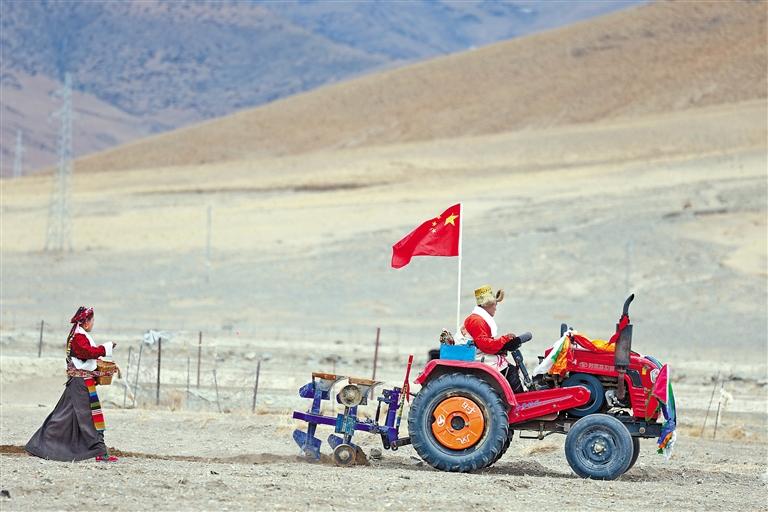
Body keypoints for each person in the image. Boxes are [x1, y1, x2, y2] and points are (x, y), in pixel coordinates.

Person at [25, 306, 119, 462]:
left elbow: (86, 356)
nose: (93, 323)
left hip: (80, 382)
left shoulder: (78, 335)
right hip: (80, 384)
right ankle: (99, 452)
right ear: (86, 322)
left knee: (63, 415)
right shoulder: (78, 337)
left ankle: (37, 446)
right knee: (89, 415)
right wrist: (106, 348)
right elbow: (88, 352)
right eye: (92, 321)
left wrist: (100, 357)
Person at [463, 285, 525, 393]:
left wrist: (501, 347)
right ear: (487, 305)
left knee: (508, 366)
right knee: (510, 370)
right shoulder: (477, 321)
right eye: (494, 305)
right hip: (475, 356)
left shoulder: (477, 319)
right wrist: (504, 339)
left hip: (476, 352)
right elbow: (485, 345)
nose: (495, 308)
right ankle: (519, 398)